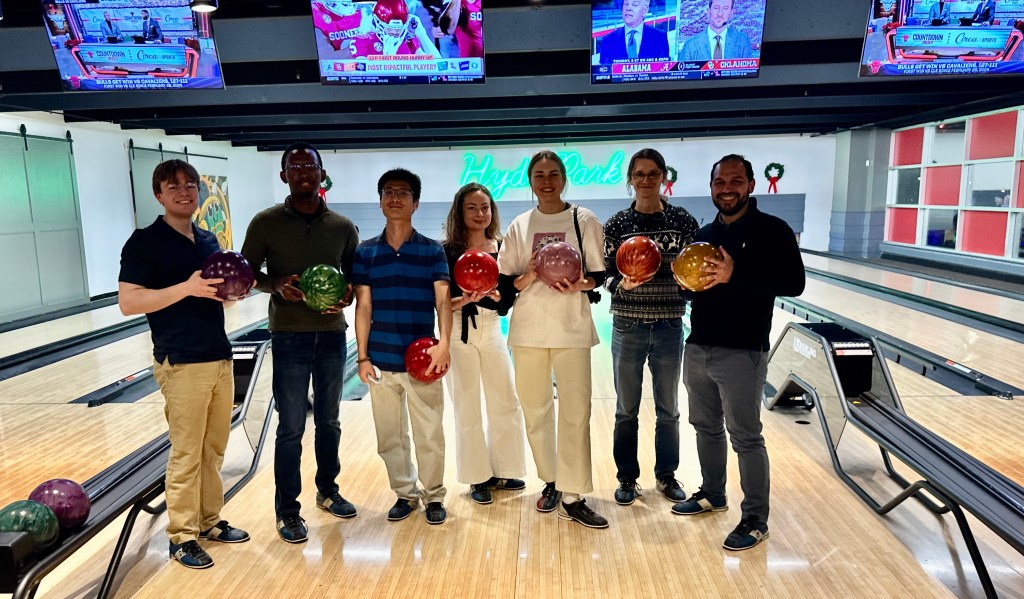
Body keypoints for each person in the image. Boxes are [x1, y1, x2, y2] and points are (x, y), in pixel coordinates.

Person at [118, 159, 250, 570]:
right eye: (173, 186)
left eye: (190, 184)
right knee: (187, 452)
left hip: (219, 355)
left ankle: (209, 521)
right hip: (181, 360)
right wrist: (187, 288)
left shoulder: (208, 238)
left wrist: (232, 293)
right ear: (158, 194)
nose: (184, 191)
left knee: (214, 449)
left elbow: (214, 294)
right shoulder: (144, 242)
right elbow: (129, 302)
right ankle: (181, 536)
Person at [670, 154, 805, 552]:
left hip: (743, 350)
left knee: (745, 437)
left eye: (735, 181)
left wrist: (735, 274)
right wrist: (686, 285)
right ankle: (713, 494)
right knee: (705, 427)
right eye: (720, 182)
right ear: (712, 187)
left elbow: (794, 283)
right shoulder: (704, 233)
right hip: (699, 345)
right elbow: (693, 290)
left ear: (750, 185)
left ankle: (755, 519)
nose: (727, 189)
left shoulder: (773, 230)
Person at [240, 143, 360, 544]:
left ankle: (328, 491)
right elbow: (245, 273)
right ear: (284, 176)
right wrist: (275, 284)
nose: (304, 171)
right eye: (296, 166)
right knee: (290, 427)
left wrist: (347, 294)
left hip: (331, 334)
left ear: (322, 173)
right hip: (288, 334)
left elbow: (354, 277)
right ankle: (288, 511)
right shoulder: (265, 223)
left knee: (329, 421)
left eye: (311, 165)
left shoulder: (342, 226)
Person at [497, 151, 609, 529]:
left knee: (576, 413)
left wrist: (581, 284)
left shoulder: (583, 219)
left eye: (553, 174)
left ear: (563, 179)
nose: (546, 181)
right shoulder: (520, 225)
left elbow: (598, 275)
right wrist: (529, 275)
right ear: (531, 182)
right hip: (528, 331)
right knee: (536, 412)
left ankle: (573, 496)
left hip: (571, 329)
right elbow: (506, 284)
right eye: (539, 175)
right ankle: (552, 481)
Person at [353, 168, 453, 525]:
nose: (395, 198)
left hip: (422, 360)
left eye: (403, 193)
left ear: (416, 203)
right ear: (381, 201)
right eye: (388, 192)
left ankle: (434, 495)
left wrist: (444, 344)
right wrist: (362, 357)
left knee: (429, 433)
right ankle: (405, 494)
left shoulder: (431, 251)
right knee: (389, 437)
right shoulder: (365, 252)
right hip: (381, 359)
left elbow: (443, 301)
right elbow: (363, 306)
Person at [603, 149, 699, 507]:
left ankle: (666, 475)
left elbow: (693, 269)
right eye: (639, 174)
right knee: (625, 409)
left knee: (669, 408)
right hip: (628, 324)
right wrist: (621, 285)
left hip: (670, 323)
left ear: (663, 177)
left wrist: (689, 285)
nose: (646, 180)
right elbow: (604, 276)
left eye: (653, 173)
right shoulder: (617, 225)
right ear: (630, 179)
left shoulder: (681, 221)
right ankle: (627, 478)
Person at [442, 183, 527, 505]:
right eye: (472, 208)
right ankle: (477, 477)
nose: (480, 214)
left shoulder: (503, 248)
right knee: (467, 407)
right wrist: (464, 299)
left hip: (491, 329)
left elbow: (506, 301)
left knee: (505, 400)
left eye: (485, 207)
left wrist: (496, 296)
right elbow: (440, 303)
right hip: (457, 331)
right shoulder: (447, 250)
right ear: (459, 212)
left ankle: (504, 469)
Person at [349, 0, 441, 58]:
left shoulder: (408, 40)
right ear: (376, 23)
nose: (394, 32)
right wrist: (388, 58)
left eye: (399, 28)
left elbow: (438, 68)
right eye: (389, 28)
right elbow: (363, 79)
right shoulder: (362, 41)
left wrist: (421, 33)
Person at [598, 0, 671, 64]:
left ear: (644, 10)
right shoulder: (608, 40)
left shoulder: (660, 38)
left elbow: (663, 69)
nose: (628, 8)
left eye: (634, 5)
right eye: (626, 4)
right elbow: (604, 71)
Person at [679, 0, 753, 61]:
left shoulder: (742, 41)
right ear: (708, 11)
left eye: (725, 8)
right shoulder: (690, 45)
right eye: (716, 8)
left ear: (731, 13)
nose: (720, 14)